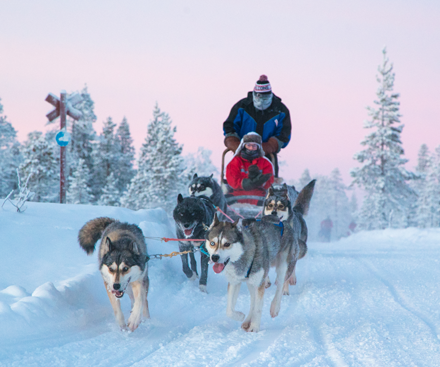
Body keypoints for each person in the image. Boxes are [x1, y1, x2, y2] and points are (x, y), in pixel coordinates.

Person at [223, 75, 292, 177]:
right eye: (258, 97)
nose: (261, 101)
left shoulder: (281, 110)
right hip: (241, 153)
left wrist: (271, 145)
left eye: (265, 98)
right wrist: (233, 142)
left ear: (270, 95)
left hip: (267, 155)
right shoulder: (242, 106)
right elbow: (230, 126)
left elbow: (284, 134)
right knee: (236, 181)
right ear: (254, 94)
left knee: (269, 184)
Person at [226, 132, 274, 205]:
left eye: (254, 146)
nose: (251, 148)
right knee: (222, 203)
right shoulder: (235, 161)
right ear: (244, 146)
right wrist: (245, 183)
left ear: (258, 147)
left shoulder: (265, 163)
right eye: (249, 145)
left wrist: (259, 182)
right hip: (237, 194)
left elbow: (269, 181)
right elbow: (232, 180)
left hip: (259, 195)